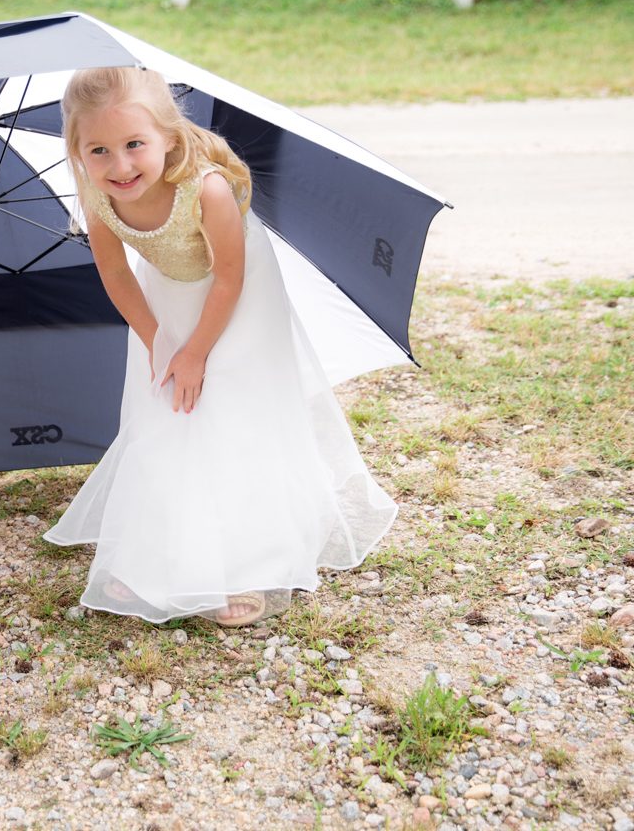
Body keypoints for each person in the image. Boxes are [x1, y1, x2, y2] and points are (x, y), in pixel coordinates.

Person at [43, 67, 397, 626]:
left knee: (230, 414)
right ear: (77, 151)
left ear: (168, 137)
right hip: (168, 304)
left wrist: (197, 352)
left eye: (135, 145)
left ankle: (247, 562)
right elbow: (116, 274)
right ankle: (156, 554)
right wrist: (160, 342)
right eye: (99, 151)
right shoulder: (98, 198)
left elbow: (230, 278)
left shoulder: (205, 190)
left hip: (239, 299)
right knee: (167, 415)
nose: (120, 166)